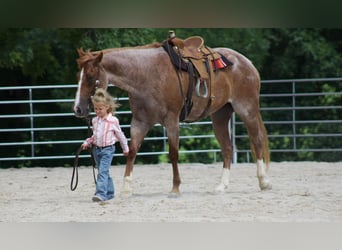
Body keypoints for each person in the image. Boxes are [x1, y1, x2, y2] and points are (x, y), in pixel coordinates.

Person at [81, 88, 129, 202]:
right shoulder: (95, 120)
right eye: (95, 109)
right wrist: (87, 142)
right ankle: (110, 193)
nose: (97, 111)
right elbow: (95, 136)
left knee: (102, 171)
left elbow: (120, 135)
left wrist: (125, 148)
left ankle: (101, 194)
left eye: (100, 109)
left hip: (108, 149)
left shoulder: (113, 121)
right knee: (104, 172)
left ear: (107, 107)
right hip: (96, 149)